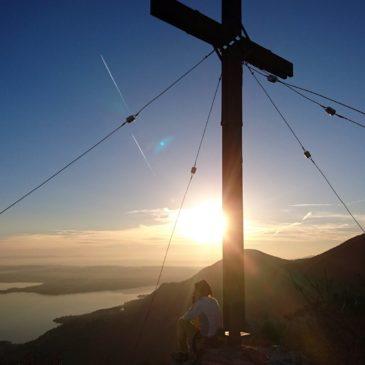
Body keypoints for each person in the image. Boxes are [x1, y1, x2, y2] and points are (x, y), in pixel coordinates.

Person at [172, 280, 222, 362]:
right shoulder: (214, 301)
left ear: (199, 291)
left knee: (181, 322)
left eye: (195, 290)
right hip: (215, 336)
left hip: (206, 338)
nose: (194, 292)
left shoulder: (201, 303)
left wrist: (194, 302)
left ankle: (184, 352)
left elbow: (185, 318)